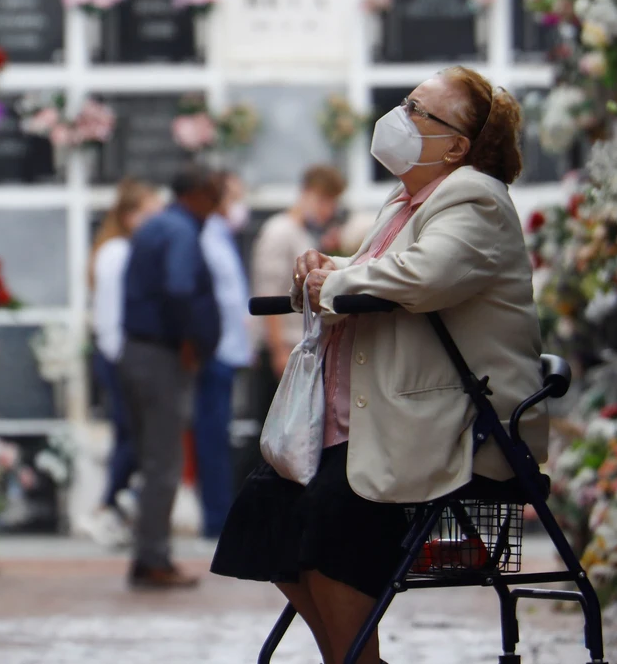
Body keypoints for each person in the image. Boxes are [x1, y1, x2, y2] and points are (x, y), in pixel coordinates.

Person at [211, 68, 545, 664]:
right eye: (406, 102)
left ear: (457, 146)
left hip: (449, 424)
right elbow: (381, 265)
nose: (401, 116)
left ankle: (355, 660)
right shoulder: (407, 201)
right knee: (267, 510)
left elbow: (423, 275)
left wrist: (334, 278)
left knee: (334, 518)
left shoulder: (476, 196)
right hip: (374, 417)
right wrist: (326, 264)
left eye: (420, 110)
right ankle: (353, 658)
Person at [119, 166, 222, 589]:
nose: (217, 207)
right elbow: (180, 288)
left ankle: (149, 554)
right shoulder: (180, 231)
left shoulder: (155, 225)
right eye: (214, 196)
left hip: (138, 351)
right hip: (162, 354)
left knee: (152, 458)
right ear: (197, 193)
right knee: (164, 461)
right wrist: (190, 339)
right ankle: (153, 560)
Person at [87, 178, 164, 541]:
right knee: (132, 435)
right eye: (151, 213)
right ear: (132, 216)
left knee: (132, 434)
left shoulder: (120, 249)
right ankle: (106, 504)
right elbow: (113, 311)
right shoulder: (117, 253)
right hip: (119, 354)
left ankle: (114, 504)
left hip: (119, 353)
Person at [250, 164, 348, 378]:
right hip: (282, 345)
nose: (329, 210)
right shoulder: (279, 230)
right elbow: (269, 290)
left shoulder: (302, 232)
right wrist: (278, 350)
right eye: (326, 201)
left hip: (298, 343)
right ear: (308, 194)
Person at [195, 170, 251, 539]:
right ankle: (216, 518)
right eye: (233, 196)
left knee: (219, 433)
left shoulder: (222, 237)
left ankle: (220, 513)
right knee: (212, 435)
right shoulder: (208, 238)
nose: (239, 205)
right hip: (216, 350)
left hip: (228, 349)